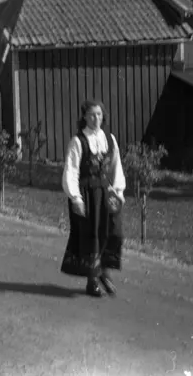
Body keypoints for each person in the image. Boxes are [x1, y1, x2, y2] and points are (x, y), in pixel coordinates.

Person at [60, 99, 126, 297]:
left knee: (114, 232)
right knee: (93, 235)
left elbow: (116, 166)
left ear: (103, 116)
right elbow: (70, 171)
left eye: (98, 114)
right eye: (91, 115)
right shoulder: (78, 141)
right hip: (88, 194)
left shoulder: (110, 138)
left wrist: (118, 191)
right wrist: (75, 198)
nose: (95, 118)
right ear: (84, 117)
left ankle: (104, 272)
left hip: (107, 192)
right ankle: (92, 280)